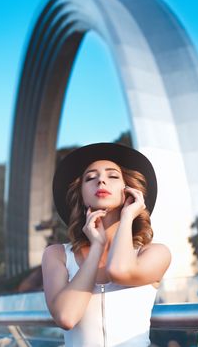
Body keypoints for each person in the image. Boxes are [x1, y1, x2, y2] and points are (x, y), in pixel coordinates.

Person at [42, 142, 171, 347]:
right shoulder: (56, 254)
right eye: (90, 178)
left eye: (112, 176)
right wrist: (96, 247)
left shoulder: (155, 253)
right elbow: (66, 317)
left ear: (128, 190)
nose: (101, 180)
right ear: (82, 196)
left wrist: (127, 217)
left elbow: (119, 270)